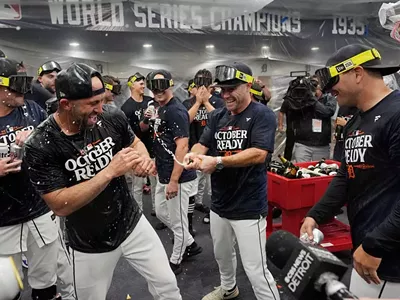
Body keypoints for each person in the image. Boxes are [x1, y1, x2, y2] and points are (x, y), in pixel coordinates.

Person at [24, 63, 182, 300]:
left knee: (168, 285)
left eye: (101, 100)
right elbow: (59, 204)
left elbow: (133, 142)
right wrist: (109, 171)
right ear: (66, 104)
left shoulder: (110, 115)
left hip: (131, 221)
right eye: (92, 104)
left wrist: (142, 159)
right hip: (88, 241)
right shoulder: (41, 143)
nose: (100, 108)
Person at [301, 44, 400, 298]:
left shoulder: (396, 114)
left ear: (357, 73)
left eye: (334, 80)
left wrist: (375, 245)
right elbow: (346, 175)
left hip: (388, 260)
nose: (328, 90)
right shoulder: (355, 122)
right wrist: (316, 215)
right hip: (366, 253)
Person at [184, 62, 280, 300]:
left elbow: (259, 153)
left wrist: (217, 162)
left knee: (256, 269)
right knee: (222, 256)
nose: (225, 95)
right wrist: (194, 154)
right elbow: (203, 143)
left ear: (248, 85)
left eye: (231, 89)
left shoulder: (262, 114)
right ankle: (229, 288)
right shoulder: (217, 116)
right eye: (222, 90)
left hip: (248, 206)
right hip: (220, 204)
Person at [0, 58, 64, 300]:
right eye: (16, 84)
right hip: (4, 219)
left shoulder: (31, 110)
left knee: (46, 279)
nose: (23, 90)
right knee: (7, 288)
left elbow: (54, 146)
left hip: (39, 210)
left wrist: (36, 139)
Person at [147, 69, 202, 275]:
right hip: (164, 173)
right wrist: (156, 163)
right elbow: (163, 142)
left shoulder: (175, 110)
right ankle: (189, 242)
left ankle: (176, 261)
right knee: (161, 213)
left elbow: (182, 146)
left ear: (170, 85)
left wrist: (173, 181)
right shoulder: (160, 108)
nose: (158, 91)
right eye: (153, 88)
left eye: (161, 87)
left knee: (178, 223)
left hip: (177, 178)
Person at [182, 69, 225, 226]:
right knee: (192, 189)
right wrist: (198, 102)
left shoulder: (219, 102)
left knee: (213, 188)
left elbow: (222, 122)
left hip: (214, 152)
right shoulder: (188, 103)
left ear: (210, 86)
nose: (201, 87)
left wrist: (206, 102)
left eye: (204, 84)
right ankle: (189, 222)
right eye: (199, 83)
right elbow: (184, 121)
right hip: (195, 150)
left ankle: (215, 215)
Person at [121, 72, 156, 212]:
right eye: (140, 83)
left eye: (144, 83)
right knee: (137, 185)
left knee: (155, 183)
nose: (143, 85)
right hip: (137, 150)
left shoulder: (150, 101)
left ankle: (156, 209)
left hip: (153, 147)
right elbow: (128, 132)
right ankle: (138, 212)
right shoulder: (126, 107)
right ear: (132, 85)